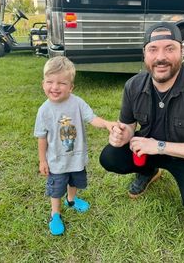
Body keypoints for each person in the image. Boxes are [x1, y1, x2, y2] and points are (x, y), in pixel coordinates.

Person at [100, 22, 184, 231]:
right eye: (153, 49)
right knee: (110, 157)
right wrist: (121, 135)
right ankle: (149, 171)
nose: (161, 57)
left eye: (170, 48)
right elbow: (128, 126)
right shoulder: (133, 86)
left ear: (182, 51)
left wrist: (160, 146)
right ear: (144, 54)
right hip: (149, 151)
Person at [34, 56, 117, 236]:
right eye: (50, 82)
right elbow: (41, 137)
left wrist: (107, 124)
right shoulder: (44, 110)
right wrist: (42, 160)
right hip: (56, 161)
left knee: (75, 181)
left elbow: (92, 118)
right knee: (56, 189)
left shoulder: (77, 103)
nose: (54, 87)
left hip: (76, 158)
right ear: (43, 84)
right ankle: (55, 214)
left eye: (61, 83)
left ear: (71, 87)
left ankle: (71, 200)